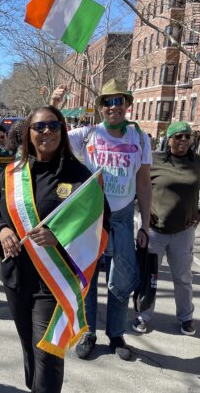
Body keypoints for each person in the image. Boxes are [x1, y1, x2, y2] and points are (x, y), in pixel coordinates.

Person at [0, 105, 108, 393]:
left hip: (54, 281)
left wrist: (60, 236)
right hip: (18, 278)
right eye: (39, 127)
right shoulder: (11, 174)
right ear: (28, 134)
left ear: (63, 130)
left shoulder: (80, 176)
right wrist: (2, 232)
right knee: (28, 347)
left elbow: (100, 223)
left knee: (48, 352)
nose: (46, 132)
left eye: (53, 126)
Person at [52, 79, 152, 361]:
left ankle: (117, 335)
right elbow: (51, 135)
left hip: (121, 219)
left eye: (118, 101)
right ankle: (88, 332)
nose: (113, 107)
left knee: (121, 279)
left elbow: (144, 183)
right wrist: (55, 104)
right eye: (107, 102)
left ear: (127, 105)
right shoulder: (87, 135)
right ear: (100, 108)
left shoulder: (140, 138)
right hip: (92, 218)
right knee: (88, 277)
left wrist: (145, 225)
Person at [131, 122, 200, 335]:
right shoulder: (153, 160)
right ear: (168, 139)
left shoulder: (199, 164)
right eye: (178, 136)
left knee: (183, 277)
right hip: (154, 232)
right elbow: (135, 189)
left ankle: (186, 317)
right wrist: (142, 212)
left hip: (183, 233)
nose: (183, 140)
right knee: (148, 276)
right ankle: (143, 316)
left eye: (187, 137)